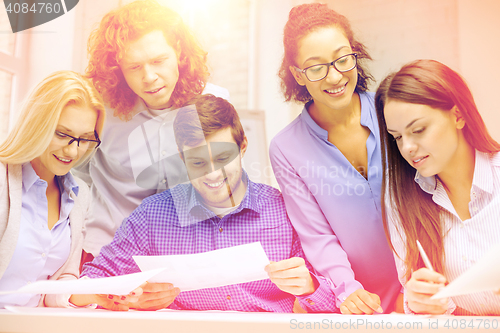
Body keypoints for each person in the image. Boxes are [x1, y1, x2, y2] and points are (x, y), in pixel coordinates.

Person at [71, 94, 337, 312]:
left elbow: (333, 301)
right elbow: (90, 283)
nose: (212, 174)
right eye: (198, 162)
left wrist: (310, 286)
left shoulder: (284, 210)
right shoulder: (152, 216)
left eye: (223, 158)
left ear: (243, 146)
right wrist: (129, 298)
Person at [269, 3, 401, 314]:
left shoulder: (391, 111)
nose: (334, 76)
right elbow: (316, 235)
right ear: (298, 75)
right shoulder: (286, 147)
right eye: (316, 67)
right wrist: (347, 288)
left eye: (343, 59)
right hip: (357, 300)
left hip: (426, 287)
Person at [76, 0, 229, 262]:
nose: (149, 77)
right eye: (134, 67)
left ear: (178, 54)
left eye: (159, 60)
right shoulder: (99, 107)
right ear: (118, 69)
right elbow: (75, 176)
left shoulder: (214, 102)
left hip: (186, 254)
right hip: (106, 250)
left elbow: (226, 183)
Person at [375, 59, 500, 315]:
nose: (407, 147)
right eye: (397, 136)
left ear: (458, 116)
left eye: (418, 130)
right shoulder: (401, 197)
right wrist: (419, 302)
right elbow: (417, 296)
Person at [0, 71, 105, 308]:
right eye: (62, 134)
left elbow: (58, 282)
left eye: (85, 138)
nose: (73, 151)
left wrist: (94, 294)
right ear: (36, 123)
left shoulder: (79, 195)